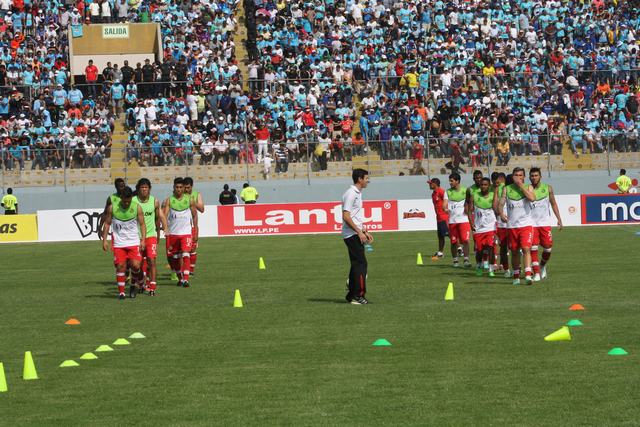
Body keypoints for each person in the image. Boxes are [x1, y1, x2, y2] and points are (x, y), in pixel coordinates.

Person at [101, 186, 146, 299]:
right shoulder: (112, 208)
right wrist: (104, 240)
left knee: (136, 265)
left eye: (129, 201)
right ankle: (121, 293)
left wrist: (143, 240)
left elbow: (142, 224)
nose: (127, 203)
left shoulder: (137, 207)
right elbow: (107, 224)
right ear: (121, 197)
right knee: (120, 266)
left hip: (133, 242)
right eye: (125, 201)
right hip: (119, 244)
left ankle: (133, 284)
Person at [498, 167, 536, 285]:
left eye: (520, 175)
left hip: (526, 225)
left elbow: (532, 198)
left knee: (526, 248)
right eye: (516, 175)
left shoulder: (528, 187)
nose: (518, 177)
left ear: (524, 177)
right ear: (512, 176)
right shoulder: (506, 189)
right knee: (514, 251)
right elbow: (501, 204)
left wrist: (521, 186)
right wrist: (501, 214)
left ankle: (528, 275)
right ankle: (516, 276)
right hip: (512, 226)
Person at [342, 168, 373, 305]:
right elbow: (346, 216)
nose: (368, 181)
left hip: (355, 233)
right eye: (366, 178)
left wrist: (364, 231)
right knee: (361, 264)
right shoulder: (351, 194)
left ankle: (351, 294)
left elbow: (355, 216)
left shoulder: (357, 193)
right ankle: (358, 295)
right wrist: (359, 232)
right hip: (351, 234)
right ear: (360, 179)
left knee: (357, 264)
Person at [133, 178, 167, 296]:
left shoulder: (154, 201)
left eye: (146, 187)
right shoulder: (133, 201)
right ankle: (141, 282)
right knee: (137, 264)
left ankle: (152, 286)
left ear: (149, 189)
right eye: (142, 187)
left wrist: (164, 228)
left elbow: (159, 217)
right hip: (136, 237)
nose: (144, 189)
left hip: (151, 236)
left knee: (151, 260)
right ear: (138, 189)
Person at [163, 178, 199, 288]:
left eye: (180, 187)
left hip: (186, 233)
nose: (179, 189)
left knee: (186, 253)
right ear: (173, 188)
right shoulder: (169, 200)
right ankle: (180, 278)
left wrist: (195, 230)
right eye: (177, 187)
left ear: (183, 188)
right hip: (173, 234)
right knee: (175, 258)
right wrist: (165, 227)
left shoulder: (190, 200)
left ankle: (186, 279)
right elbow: (164, 216)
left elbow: (194, 215)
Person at [529, 167, 563, 281]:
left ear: (540, 177)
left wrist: (559, 218)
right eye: (532, 176)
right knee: (533, 248)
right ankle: (536, 273)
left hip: (544, 223)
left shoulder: (548, 188)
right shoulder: (527, 189)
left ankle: (542, 266)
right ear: (529, 177)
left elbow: (553, 203)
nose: (534, 178)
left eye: (536, 175)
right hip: (531, 224)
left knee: (548, 248)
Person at [468, 177, 497, 277]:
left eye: (485, 185)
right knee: (479, 250)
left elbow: (496, 209)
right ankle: (479, 266)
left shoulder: (493, 195)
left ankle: (491, 269)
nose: (483, 186)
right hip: (479, 227)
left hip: (490, 227)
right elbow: (469, 211)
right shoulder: (474, 196)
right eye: (482, 185)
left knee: (491, 247)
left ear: (489, 186)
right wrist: (471, 223)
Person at [443, 173, 471, 268]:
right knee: (454, 242)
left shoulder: (466, 190)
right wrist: (445, 209)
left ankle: (466, 260)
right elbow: (444, 204)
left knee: (465, 240)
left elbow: (470, 202)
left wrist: (468, 208)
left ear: (457, 181)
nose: (450, 182)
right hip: (452, 221)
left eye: (452, 181)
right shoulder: (447, 192)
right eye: (449, 180)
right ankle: (455, 260)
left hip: (464, 220)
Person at [183, 177, 204, 277]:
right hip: (182, 226)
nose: (186, 189)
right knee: (183, 250)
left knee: (192, 249)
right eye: (185, 187)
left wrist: (192, 202)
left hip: (192, 226)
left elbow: (202, 209)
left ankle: (191, 270)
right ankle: (183, 270)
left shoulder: (197, 194)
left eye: (188, 187)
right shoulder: (181, 195)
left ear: (192, 186)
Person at [492, 172, 510, 276]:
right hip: (503, 222)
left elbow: (495, 207)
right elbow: (495, 207)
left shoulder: (501, 188)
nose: (497, 181)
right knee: (505, 246)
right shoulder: (496, 188)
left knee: (503, 246)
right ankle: (505, 266)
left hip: (505, 222)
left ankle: (505, 267)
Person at [428, 178, 448, 259]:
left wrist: (447, 211)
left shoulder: (441, 191)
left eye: (431, 183)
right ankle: (440, 252)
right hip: (439, 217)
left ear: (435, 184)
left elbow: (447, 201)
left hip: (444, 217)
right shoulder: (433, 194)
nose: (429, 185)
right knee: (440, 236)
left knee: (449, 234)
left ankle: (460, 249)